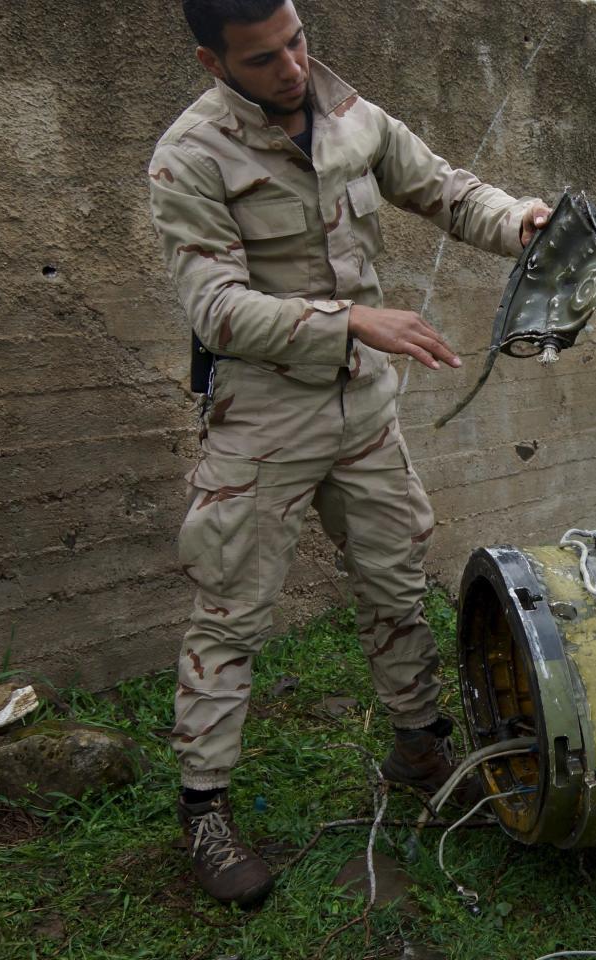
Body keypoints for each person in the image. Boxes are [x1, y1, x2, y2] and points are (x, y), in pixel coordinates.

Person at [147, 0, 550, 906]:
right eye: (264, 57)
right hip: (264, 418)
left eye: (296, 39)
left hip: (364, 408)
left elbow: (443, 187)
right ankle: (204, 810)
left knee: (394, 575)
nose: (292, 66)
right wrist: (352, 318)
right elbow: (213, 308)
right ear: (215, 64)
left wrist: (517, 219)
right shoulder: (190, 156)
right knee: (231, 610)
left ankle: (419, 746)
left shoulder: (351, 114)